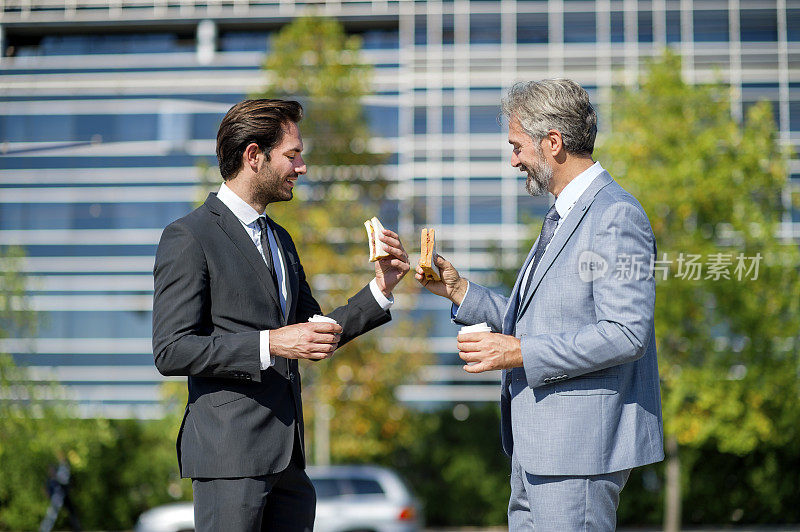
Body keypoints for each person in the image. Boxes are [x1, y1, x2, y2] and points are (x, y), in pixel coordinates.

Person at [416, 79, 663, 530]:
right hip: (537, 447)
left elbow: (628, 332)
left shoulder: (616, 215)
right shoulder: (562, 214)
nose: (513, 160)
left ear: (553, 143)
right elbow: (541, 317)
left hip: (579, 449)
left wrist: (518, 352)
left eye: (516, 147)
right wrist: (460, 291)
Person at [152, 99, 410, 532]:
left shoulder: (281, 240)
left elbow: (313, 333)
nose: (302, 166)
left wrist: (381, 289)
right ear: (254, 156)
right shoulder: (188, 236)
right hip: (230, 462)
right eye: (293, 155)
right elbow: (172, 350)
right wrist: (270, 343)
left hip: (290, 464)